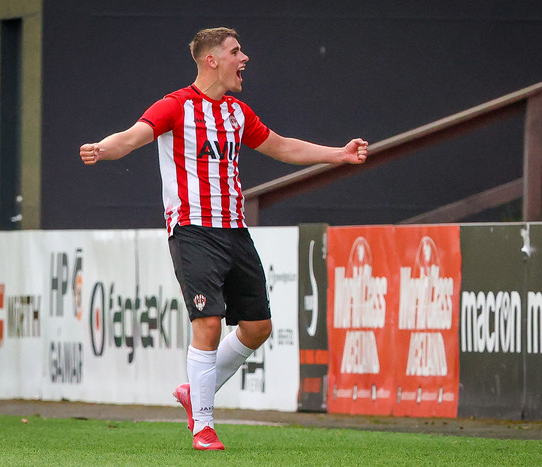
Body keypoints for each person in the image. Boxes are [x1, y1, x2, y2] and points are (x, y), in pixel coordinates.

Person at [79, 27, 368, 450]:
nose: (244, 58)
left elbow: (282, 147)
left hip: (235, 230)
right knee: (209, 323)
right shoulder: (175, 106)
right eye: (236, 51)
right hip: (192, 230)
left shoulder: (236, 112)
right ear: (211, 59)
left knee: (258, 327)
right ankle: (203, 425)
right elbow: (131, 137)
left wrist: (337, 154)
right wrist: (102, 149)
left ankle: (196, 391)